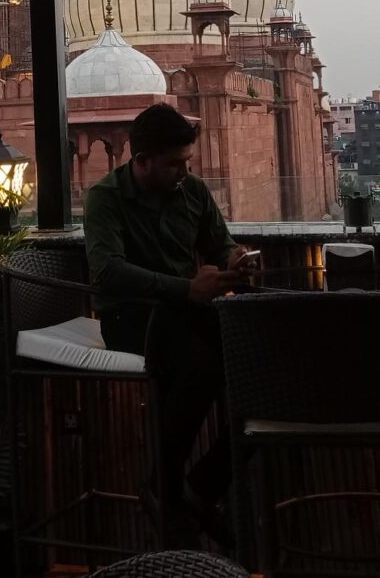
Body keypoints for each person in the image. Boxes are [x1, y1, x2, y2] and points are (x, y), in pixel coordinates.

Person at [84, 103, 256, 547]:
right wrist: (186, 289)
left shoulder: (192, 192)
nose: (182, 171)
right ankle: (170, 487)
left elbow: (219, 243)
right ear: (140, 161)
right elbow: (107, 273)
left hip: (185, 310)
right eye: (173, 164)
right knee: (201, 369)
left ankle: (194, 490)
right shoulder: (106, 198)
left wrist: (235, 258)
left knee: (260, 371)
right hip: (130, 315)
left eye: (186, 162)